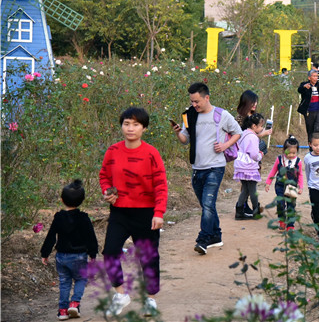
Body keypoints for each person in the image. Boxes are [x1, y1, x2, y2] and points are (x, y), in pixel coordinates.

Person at [99, 107, 168, 317]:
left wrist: (159, 212)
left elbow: (160, 185)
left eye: (136, 124)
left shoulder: (151, 153)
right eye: (126, 124)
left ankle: (150, 299)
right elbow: (104, 176)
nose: (130, 128)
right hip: (119, 212)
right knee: (110, 253)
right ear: (121, 126)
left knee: (148, 258)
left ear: (144, 128)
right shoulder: (113, 151)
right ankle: (121, 294)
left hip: (146, 213)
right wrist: (107, 192)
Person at [172, 82, 241, 255]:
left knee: (208, 203)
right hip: (197, 167)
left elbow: (238, 132)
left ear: (206, 97)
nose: (194, 105)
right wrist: (177, 132)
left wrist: (225, 145)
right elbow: (185, 140)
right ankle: (216, 235)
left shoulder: (221, 114)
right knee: (206, 205)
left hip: (215, 167)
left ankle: (203, 240)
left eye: (197, 101)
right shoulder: (189, 115)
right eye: (192, 101)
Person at [40, 179, 98, 321]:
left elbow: (51, 236)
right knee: (81, 279)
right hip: (79, 256)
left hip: (61, 257)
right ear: (82, 200)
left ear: (62, 199)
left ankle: (63, 311)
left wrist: (45, 253)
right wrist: (93, 253)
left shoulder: (58, 217)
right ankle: (75, 303)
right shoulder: (84, 218)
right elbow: (91, 237)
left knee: (64, 282)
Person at [235, 90, 273, 217]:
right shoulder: (240, 118)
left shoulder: (254, 116)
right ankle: (246, 206)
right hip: (248, 156)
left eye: (256, 101)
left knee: (249, 185)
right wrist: (262, 135)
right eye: (253, 102)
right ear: (246, 102)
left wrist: (263, 134)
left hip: (253, 154)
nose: (255, 104)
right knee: (248, 185)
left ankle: (244, 207)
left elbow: (252, 135)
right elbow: (242, 137)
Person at [265, 135, 304, 231]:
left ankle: (290, 224)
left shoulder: (298, 161)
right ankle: (282, 221)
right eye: (288, 152)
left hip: (292, 186)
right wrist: (268, 182)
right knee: (280, 204)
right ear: (283, 150)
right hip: (280, 186)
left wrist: (301, 187)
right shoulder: (279, 159)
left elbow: (300, 175)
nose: (291, 155)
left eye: (294, 153)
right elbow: (273, 171)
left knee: (291, 205)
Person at [234, 113, 266, 220]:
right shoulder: (253, 137)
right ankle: (256, 211)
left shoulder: (243, 133)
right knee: (253, 190)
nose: (262, 128)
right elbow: (253, 155)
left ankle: (239, 212)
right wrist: (260, 155)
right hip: (249, 167)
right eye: (261, 126)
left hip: (240, 165)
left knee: (245, 190)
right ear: (254, 126)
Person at [298, 69, 319, 145]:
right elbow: (299, 90)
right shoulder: (305, 85)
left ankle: (318, 146)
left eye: (316, 76)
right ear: (309, 78)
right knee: (310, 130)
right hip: (309, 111)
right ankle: (311, 147)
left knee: (318, 129)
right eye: (314, 76)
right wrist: (304, 87)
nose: (315, 78)